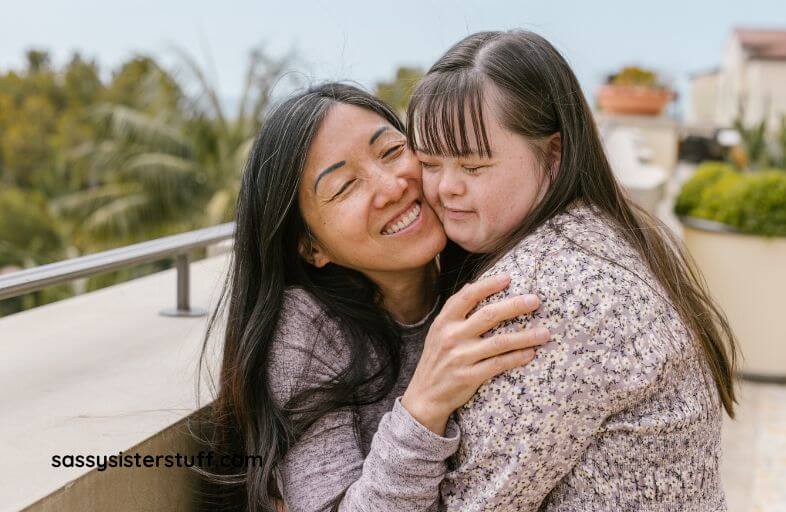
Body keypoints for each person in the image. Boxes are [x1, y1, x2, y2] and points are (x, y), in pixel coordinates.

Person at [406, 30, 738, 511]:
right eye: (429, 163)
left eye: (473, 167)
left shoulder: (547, 295)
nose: (446, 188)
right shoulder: (602, 232)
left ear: (554, 155)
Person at [199, 83, 549, 512]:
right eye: (345, 186)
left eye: (391, 151)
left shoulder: (500, 266)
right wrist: (424, 404)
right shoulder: (306, 330)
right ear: (311, 247)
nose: (392, 186)